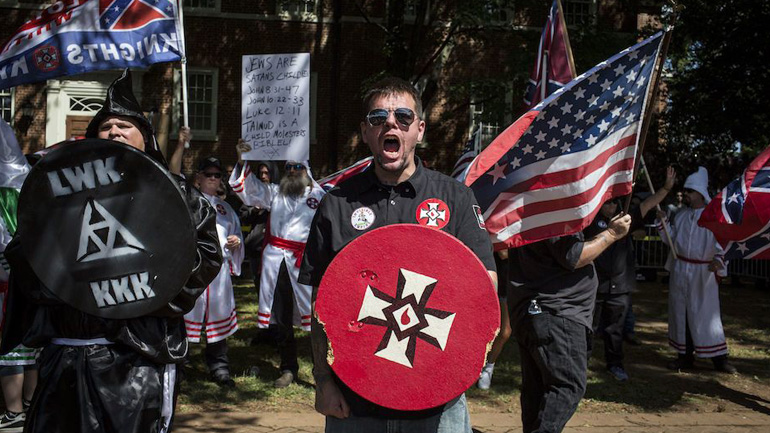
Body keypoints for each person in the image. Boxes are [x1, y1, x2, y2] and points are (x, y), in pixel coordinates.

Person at [0, 69, 222, 433]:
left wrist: (141, 294)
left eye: (124, 125)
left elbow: (201, 259)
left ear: (145, 138)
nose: (114, 132)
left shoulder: (178, 197)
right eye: (106, 127)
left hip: (136, 360)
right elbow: (28, 256)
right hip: (65, 356)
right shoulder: (58, 198)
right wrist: (68, 288)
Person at [298, 77, 497, 432]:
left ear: (419, 130)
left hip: (438, 402)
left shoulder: (456, 199)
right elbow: (320, 303)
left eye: (403, 117)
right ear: (365, 131)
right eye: (378, 118)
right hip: (354, 400)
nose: (391, 123)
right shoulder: (338, 205)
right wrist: (323, 381)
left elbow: (483, 290)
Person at [508, 209, 631, 432]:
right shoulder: (554, 209)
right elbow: (574, 256)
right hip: (556, 311)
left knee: (537, 389)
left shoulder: (532, 206)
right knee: (568, 384)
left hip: (536, 310)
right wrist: (612, 234)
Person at [229, 143, 326, 388]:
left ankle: (322, 369)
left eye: (297, 167)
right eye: (289, 168)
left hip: (306, 262)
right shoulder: (275, 193)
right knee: (281, 315)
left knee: (316, 316)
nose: (292, 172)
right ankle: (288, 367)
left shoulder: (320, 196)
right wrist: (243, 161)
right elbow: (248, 190)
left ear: (306, 170)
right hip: (278, 262)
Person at [584, 167, 676, 382]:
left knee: (615, 330)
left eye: (615, 202)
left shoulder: (625, 219)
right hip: (593, 284)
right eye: (608, 203)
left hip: (619, 285)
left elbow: (647, 204)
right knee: (589, 327)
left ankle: (615, 365)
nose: (612, 206)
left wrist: (665, 188)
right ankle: (582, 364)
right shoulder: (589, 221)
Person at [656, 167, 736, 373]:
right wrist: (663, 221)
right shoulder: (682, 216)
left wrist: (719, 260)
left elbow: (722, 243)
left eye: (690, 191)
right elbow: (672, 241)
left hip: (704, 273)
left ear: (700, 192)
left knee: (706, 314)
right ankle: (684, 356)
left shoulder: (712, 218)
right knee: (681, 313)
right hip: (681, 269)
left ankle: (719, 358)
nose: (687, 195)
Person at [184, 156, 244, 387]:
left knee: (218, 316)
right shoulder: (188, 201)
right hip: (193, 269)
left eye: (217, 175)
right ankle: (182, 364)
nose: (213, 178)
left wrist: (236, 242)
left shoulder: (226, 208)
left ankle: (219, 367)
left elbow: (236, 233)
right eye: (208, 174)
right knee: (186, 315)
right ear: (198, 177)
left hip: (218, 274)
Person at [0, 119, 38, 433]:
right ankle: (30, 404)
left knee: (8, 343)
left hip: (5, 273)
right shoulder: (29, 181)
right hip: (32, 272)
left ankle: (14, 412)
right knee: (30, 342)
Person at [477, 250, 512, 390]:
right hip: (490, 281)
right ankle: (475, 366)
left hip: (509, 284)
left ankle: (488, 367)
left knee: (505, 331)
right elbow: (503, 252)